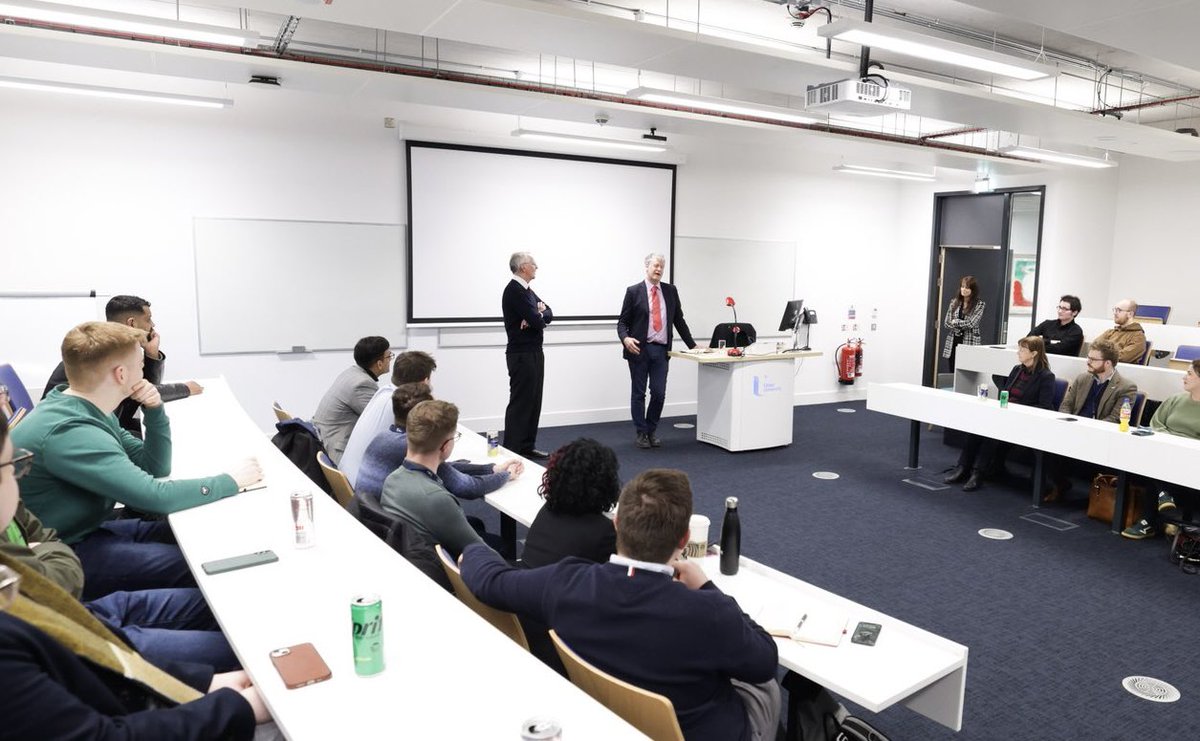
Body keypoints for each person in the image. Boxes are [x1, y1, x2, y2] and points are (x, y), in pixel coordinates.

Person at [0, 415, 273, 739]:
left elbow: (78, 645)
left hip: (89, 619)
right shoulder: (66, 430)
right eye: (12, 467)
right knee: (246, 643)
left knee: (230, 601)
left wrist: (201, 681)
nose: (19, 482)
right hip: (89, 595)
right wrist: (238, 706)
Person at [461, 468, 782, 741]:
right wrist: (708, 587)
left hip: (610, 721)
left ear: (616, 525)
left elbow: (489, 581)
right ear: (683, 539)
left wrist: (472, 546)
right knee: (766, 685)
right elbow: (765, 661)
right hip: (703, 732)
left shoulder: (565, 583)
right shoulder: (708, 610)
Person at [13, 321, 262, 600]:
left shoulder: (86, 406)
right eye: (141, 364)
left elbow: (154, 467)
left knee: (209, 538)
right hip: (66, 553)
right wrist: (230, 481)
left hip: (89, 529)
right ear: (121, 374)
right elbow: (155, 497)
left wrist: (154, 409)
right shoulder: (70, 431)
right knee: (201, 565)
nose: (144, 370)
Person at [42, 295, 203, 439]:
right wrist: (186, 388)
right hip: (77, 431)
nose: (152, 325)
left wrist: (151, 352)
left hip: (103, 421)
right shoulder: (105, 353)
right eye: (148, 319)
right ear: (132, 323)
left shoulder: (111, 347)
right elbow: (139, 390)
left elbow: (143, 391)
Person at [355, 382, 522, 502]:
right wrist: (506, 475)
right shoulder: (408, 446)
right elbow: (467, 487)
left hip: (375, 521)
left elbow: (443, 469)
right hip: (394, 533)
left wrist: (491, 469)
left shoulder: (384, 437)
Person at [379, 400, 502, 560]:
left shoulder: (392, 480)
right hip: (445, 575)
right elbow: (484, 553)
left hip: (413, 562)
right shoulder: (435, 498)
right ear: (445, 447)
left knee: (477, 524)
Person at [944, 336, 1056, 492]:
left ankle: (978, 473)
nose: (1018, 353)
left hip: (1024, 419)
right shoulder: (1017, 370)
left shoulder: (1046, 377)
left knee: (992, 433)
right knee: (977, 428)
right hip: (1007, 415)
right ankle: (963, 467)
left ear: (1034, 353)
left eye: (1023, 350)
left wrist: (1016, 409)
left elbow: (1044, 406)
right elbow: (1006, 392)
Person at [617, 253, 697, 449]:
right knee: (638, 393)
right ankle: (641, 432)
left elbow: (679, 320)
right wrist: (625, 338)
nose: (659, 269)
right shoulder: (633, 291)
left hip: (661, 351)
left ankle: (651, 429)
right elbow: (622, 322)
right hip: (639, 350)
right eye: (655, 265)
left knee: (659, 393)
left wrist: (692, 345)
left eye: (662, 266)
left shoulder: (670, 291)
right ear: (646, 267)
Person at [1045, 340, 1138, 500]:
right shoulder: (1083, 378)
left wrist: (1088, 430)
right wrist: (1068, 423)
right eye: (1088, 357)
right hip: (1074, 429)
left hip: (1100, 435)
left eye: (1093, 359)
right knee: (1045, 443)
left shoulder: (1126, 387)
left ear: (1108, 363)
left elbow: (1116, 418)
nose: (1088, 362)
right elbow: (1066, 405)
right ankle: (1058, 484)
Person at [1121, 359, 1200, 539]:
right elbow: (1156, 424)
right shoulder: (1175, 399)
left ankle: (1150, 517)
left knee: (1159, 463)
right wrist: (1169, 442)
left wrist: (1181, 443)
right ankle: (1164, 496)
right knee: (1154, 457)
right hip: (1165, 449)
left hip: (1192, 456)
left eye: (1189, 374)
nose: (1184, 377)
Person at [338, 350, 437, 489]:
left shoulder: (384, 392)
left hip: (347, 481)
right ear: (424, 381)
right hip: (363, 491)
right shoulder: (404, 405)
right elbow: (427, 448)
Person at [520, 438, 618, 568]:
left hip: (525, 581)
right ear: (606, 484)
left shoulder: (547, 510)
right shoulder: (603, 531)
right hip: (559, 587)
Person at [502, 251, 553, 460]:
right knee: (521, 402)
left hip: (534, 352)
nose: (536, 267)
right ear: (523, 267)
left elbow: (548, 313)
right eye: (533, 264)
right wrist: (537, 316)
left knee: (534, 401)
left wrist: (538, 314)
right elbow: (539, 320)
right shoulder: (514, 290)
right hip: (521, 354)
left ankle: (526, 445)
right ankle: (512, 449)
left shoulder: (528, 291)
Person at [311, 336, 392, 463]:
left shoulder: (351, 373)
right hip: (335, 450)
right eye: (389, 356)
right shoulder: (362, 384)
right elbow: (381, 422)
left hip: (322, 438)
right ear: (379, 364)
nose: (391, 360)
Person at [942, 275, 985, 371]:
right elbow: (946, 323)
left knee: (967, 371)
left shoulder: (979, 304)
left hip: (969, 342)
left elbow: (971, 323)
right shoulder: (954, 302)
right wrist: (958, 326)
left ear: (973, 290)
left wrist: (955, 322)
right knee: (952, 370)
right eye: (962, 286)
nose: (964, 289)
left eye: (967, 287)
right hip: (954, 341)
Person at [1092, 299, 1147, 364]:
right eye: (1115, 310)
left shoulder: (1138, 336)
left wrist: (1100, 354)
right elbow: (1093, 347)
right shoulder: (1110, 332)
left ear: (1130, 314)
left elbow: (1123, 357)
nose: (1115, 313)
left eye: (1119, 310)